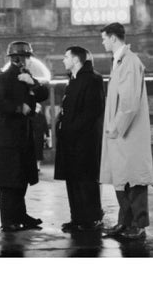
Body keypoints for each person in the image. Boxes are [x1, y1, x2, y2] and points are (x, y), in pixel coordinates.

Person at [100, 22, 153, 241]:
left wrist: (115, 127)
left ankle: (138, 225)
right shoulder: (120, 61)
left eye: (104, 38)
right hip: (121, 136)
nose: (102, 42)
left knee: (135, 180)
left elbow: (129, 103)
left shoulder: (129, 62)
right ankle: (124, 223)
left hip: (127, 134)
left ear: (113, 38)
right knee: (123, 179)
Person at [0, 41, 49, 232]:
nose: (30, 61)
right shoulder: (4, 78)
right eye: (28, 57)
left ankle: (21, 215)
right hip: (7, 137)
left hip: (21, 136)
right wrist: (18, 108)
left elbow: (43, 94)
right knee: (8, 181)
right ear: (19, 59)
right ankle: (9, 220)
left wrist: (33, 83)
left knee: (20, 179)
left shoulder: (26, 77)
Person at [54, 46, 105, 232]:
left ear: (76, 60)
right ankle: (77, 218)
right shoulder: (72, 80)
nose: (63, 60)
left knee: (86, 181)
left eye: (66, 56)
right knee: (72, 180)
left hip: (85, 142)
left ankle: (92, 218)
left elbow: (93, 111)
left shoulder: (93, 79)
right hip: (70, 141)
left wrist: (71, 129)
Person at [32, 103, 49, 171]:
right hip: (34, 136)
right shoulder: (32, 115)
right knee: (35, 151)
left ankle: (38, 166)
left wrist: (47, 135)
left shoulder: (41, 116)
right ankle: (35, 166)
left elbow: (45, 125)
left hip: (39, 136)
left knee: (39, 152)